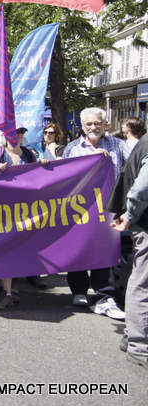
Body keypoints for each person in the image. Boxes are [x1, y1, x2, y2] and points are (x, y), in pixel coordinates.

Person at [62, 107, 126, 319]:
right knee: (79, 248)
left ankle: (104, 296)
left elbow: (131, 169)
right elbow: (62, 177)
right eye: (88, 124)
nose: (93, 127)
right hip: (80, 211)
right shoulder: (72, 149)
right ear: (82, 126)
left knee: (104, 252)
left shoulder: (118, 145)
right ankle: (79, 290)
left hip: (109, 210)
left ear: (105, 124)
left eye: (97, 123)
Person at [0, 127, 39, 309]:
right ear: (5, 135)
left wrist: (44, 165)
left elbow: (38, 177)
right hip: (0, 210)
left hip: (24, 210)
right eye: (14, 132)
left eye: (21, 132)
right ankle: (6, 292)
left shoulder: (29, 154)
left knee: (17, 248)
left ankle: (5, 288)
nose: (18, 136)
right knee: (4, 248)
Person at [108, 132, 148, 369]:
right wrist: (130, 215)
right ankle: (138, 344)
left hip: (140, 219)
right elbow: (142, 188)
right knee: (143, 282)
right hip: (144, 222)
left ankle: (133, 333)